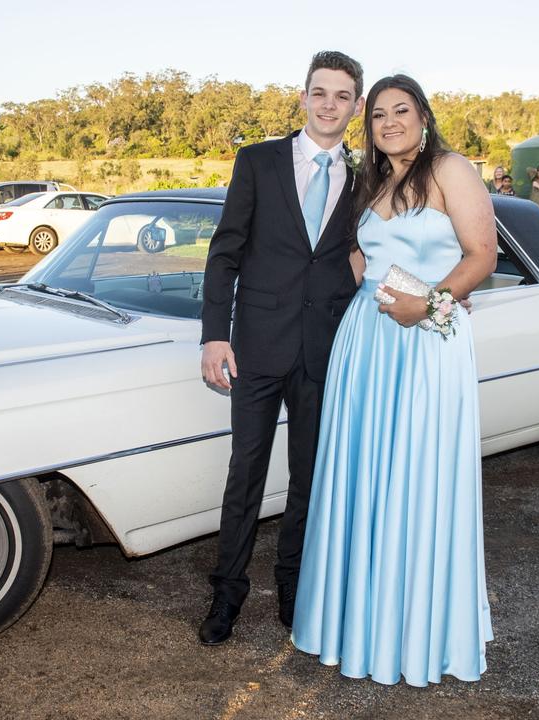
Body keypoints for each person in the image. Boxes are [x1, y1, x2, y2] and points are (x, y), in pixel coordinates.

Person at [292, 73, 496, 687]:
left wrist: (430, 306)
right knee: (364, 479)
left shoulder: (451, 170)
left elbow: (481, 255)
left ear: (424, 117)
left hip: (427, 341)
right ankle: (358, 624)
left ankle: (413, 634)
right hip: (367, 343)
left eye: (400, 110)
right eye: (377, 113)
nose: (388, 122)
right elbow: (362, 261)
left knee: (418, 476)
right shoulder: (371, 181)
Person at [198, 51, 365, 646]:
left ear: (356, 106)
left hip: (326, 350)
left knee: (309, 479)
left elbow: (374, 254)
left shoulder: (365, 178)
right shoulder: (258, 161)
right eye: (319, 93)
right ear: (303, 98)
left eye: (342, 96)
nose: (329, 105)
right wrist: (215, 334)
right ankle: (226, 597)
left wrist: (444, 291)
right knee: (244, 473)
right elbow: (225, 254)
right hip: (255, 348)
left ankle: (294, 593)